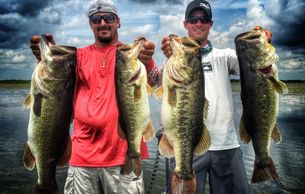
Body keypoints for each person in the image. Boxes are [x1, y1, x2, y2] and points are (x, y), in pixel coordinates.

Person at [29, 0, 158, 193]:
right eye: (96, 19)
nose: (103, 23)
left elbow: (154, 80)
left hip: (124, 157)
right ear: (91, 24)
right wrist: (46, 56)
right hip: (82, 158)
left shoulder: (132, 56)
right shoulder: (78, 56)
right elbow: (55, 84)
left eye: (109, 18)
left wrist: (147, 61)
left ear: (118, 22)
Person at [160, 0, 250, 193]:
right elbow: (154, 81)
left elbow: (252, 66)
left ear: (210, 24)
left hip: (227, 145)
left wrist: (261, 46)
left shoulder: (224, 56)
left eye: (204, 19)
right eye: (193, 19)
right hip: (188, 147)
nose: (198, 24)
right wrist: (148, 60)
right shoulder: (172, 61)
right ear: (185, 24)